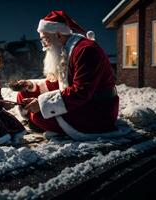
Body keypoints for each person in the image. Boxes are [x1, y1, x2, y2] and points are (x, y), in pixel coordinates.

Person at [16, 11, 120, 141]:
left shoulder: (86, 50)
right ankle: (45, 123)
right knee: (23, 94)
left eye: (45, 38)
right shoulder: (64, 48)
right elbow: (62, 82)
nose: (43, 44)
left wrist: (42, 104)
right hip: (79, 101)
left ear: (58, 35)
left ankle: (47, 124)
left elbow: (81, 91)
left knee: (37, 115)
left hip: (97, 109)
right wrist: (32, 86)